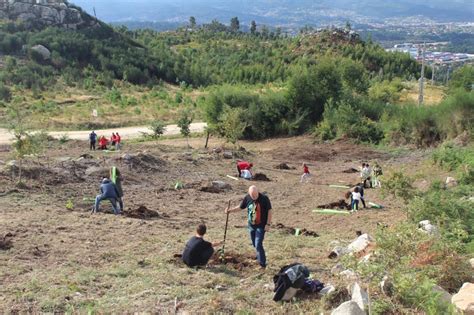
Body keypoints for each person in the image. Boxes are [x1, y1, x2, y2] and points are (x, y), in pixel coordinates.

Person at [226, 185, 272, 268]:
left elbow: (270, 211)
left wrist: (268, 224)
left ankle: (262, 264)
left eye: (255, 195)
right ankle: (259, 255)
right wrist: (230, 211)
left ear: (258, 192)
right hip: (251, 225)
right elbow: (240, 207)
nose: (254, 197)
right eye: (252, 195)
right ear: (249, 194)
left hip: (261, 225)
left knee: (258, 244)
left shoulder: (264, 198)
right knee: (255, 244)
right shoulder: (247, 198)